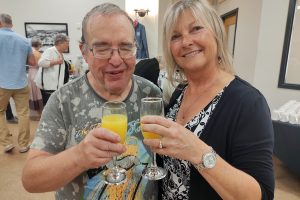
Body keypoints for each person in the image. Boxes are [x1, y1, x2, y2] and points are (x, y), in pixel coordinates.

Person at [22, 3, 161, 200]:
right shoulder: (64, 101)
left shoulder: (151, 93)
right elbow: (30, 179)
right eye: (102, 49)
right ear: (84, 51)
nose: (116, 60)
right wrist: (79, 156)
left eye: (125, 47)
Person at [141, 0, 274, 199]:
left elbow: (260, 195)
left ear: (217, 34)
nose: (186, 42)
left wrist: (198, 152)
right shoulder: (180, 92)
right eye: (175, 36)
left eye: (196, 29)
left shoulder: (248, 103)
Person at [0, 13, 36, 153]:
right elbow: (33, 62)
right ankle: (23, 144)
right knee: (23, 113)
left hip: (2, 83)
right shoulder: (24, 40)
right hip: (21, 83)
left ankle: (7, 142)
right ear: (12, 24)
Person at [34, 33, 70, 106]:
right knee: (50, 108)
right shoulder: (50, 50)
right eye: (67, 43)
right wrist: (57, 62)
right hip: (50, 87)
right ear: (60, 43)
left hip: (57, 87)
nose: (68, 45)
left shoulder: (59, 53)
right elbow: (41, 63)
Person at [28, 37, 43, 119]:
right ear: (39, 45)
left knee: (34, 94)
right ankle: (40, 115)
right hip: (36, 73)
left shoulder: (29, 52)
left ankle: (38, 114)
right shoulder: (37, 53)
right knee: (38, 94)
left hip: (30, 73)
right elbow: (40, 64)